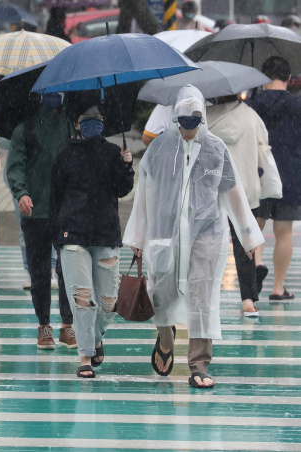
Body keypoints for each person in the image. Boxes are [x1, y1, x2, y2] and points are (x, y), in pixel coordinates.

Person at [124, 85, 264, 389]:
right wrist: (137, 236)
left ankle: (199, 362)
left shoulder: (216, 149)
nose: (189, 129)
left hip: (206, 237)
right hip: (164, 235)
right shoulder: (159, 150)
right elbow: (144, 195)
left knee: (202, 298)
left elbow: (233, 193)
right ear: (175, 118)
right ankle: (165, 339)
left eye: (195, 122)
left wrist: (249, 236)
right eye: (183, 122)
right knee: (160, 292)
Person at [52, 105, 134, 378]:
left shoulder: (113, 152)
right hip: (73, 235)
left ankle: (95, 336)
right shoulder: (65, 154)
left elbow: (122, 189)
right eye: (86, 119)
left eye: (97, 119)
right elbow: (56, 197)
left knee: (109, 302)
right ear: (76, 124)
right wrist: (58, 236)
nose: (92, 124)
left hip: (106, 234)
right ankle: (85, 356)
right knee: (82, 298)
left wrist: (127, 166)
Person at [5, 92, 75, 349]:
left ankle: (68, 325)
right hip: (35, 212)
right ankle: (44, 325)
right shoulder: (25, 129)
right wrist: (21, 193)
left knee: (68, 269)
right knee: (40, 272)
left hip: (66, 211)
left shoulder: (72, 126)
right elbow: (15, 166)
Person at [207, 94, 275, 316]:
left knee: (208, 244)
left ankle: (206, 296)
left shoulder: (206, 118)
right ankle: (248, 300)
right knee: (245, 245)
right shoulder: (252, 116)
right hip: (246, 190)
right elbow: (263, 147)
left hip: (214, 190)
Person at [247, 56, 301, 301]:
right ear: (289, 79)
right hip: (289, 173)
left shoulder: (253, 104)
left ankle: (257, 264)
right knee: (284, 232)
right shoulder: (296, 105)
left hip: (258, 172)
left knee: (255, 227)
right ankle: (278, 288)